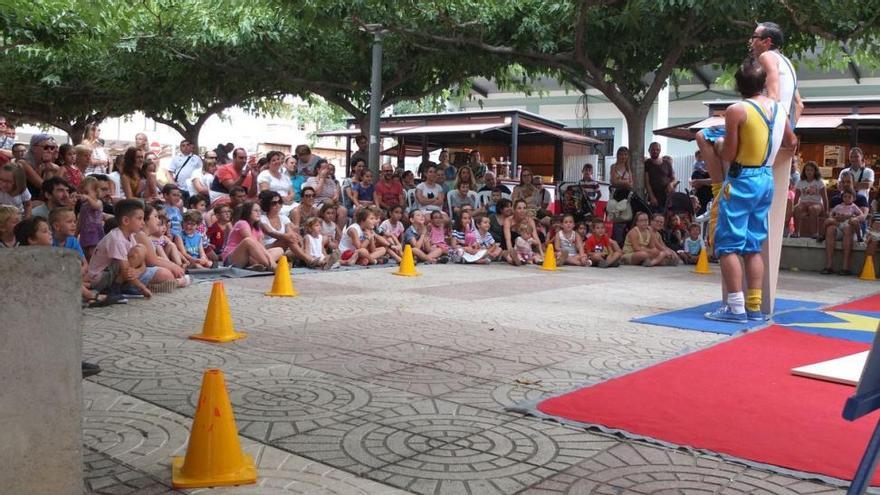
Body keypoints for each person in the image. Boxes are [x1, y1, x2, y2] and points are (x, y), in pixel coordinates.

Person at [705, 56, 792, 322]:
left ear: (737, 85)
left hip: (742, 179)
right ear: (763, 82)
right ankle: (754, 307)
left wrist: (719, 143)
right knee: (753, 245)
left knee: (728, 245)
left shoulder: (737, 110)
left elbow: (729, 152)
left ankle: (735, 308)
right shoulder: (777, 108)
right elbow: (792, 140)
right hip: (766, 179)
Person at [89, 200, 176, 298]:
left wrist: (138, 270)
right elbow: (125, 269)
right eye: (139, 219)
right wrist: (142, 288)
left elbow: (141, 261)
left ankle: (122, 285)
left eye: (143, 219)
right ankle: (114, 288)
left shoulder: (130, 236)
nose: (143, 223)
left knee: (141, 249)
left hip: (113, 272)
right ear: (126, 221)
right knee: (138, 252)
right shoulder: (116, 238)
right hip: (100, 278)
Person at [222, 201, 282, 270]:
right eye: (255, 211)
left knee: (279, 250)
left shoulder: (257, 227)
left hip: (249, 258)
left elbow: (261, 246)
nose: (259, 213)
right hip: (232, 259)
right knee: (248, 241)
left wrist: (266, 254)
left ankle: (257, 265)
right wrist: (269, 258)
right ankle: (272, 266)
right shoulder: (242, 223)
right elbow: (252, 242)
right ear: (248, 212)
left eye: (259, 211)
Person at [820, 190, 865, 275]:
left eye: (849, 197)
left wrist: (852, 217)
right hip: (839, 224)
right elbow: (831, 214)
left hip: (849, 226)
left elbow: (862, 215)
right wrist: (836, 217)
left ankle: (845, 267)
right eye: (845, 197)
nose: (847, 199)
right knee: (830, 229)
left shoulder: (854, 206)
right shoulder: (839, 206)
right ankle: (829, 266)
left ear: (854, 198)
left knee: (847, 229)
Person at [258, 190, 307, 261]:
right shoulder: (262, 218)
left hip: (284, 245)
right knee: (287, 239)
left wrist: (295, 237)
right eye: (274, 203)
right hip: (268, 247)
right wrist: (288, 236)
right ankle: (308, 260)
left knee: (296, 237)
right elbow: (270, 232)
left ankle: (309, 258)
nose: (278, 205)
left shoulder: (283, 218)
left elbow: (290, 232)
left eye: (279, 202)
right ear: (267, 204)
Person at [792, 160, 827, 238]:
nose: (809, 172)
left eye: (811, 170)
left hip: (817, 203)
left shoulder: (819, 182)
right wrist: (793, 208)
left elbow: (825, 198)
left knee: (812, 209)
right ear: (804, 171)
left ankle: (814, 233)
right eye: (807, 170)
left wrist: (826, 211)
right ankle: (796, 232)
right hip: (803, 203)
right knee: (797, 209)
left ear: (815, 171)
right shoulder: (800, 182)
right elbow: (796, 197)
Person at [503, 199, 543, 265]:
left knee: (536, 255)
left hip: (524, 248)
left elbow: (536, 237)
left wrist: (541, 253)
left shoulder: (529, 221)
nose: (522, 211)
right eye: (519, 208)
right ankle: (514, 260)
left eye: (524, 208)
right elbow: (508, 240)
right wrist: (511, 251)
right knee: (507, 255)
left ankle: (534, 260)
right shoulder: (508, 220)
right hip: (511, 247)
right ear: (514, 210)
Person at [257, 150, 295, 215]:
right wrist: (281, 199)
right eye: (273, 160)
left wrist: (289, 197)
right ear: (268, 163)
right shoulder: (264, 175)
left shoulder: (285, 177)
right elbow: (265, 193)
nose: (277, 162)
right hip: (273, 204)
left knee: (299, 209)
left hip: (287, 203)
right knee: (294, 211)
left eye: (278, 159)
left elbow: (292, 192)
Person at [77, 176, 106, 258]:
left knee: (93, 253)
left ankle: (95, 268)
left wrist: (88, 198)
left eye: (86, 193)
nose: (84, 195)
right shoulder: (83, 206)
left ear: (96, 192)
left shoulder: (98, 202)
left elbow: (95, 206)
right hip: (85, 232)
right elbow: (80, 221)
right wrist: (75, 234)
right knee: (85, 253)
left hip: (94, 232)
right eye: (82, 193)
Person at [644, 142, 675, 212]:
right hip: (655, 197)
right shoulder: (647, 163)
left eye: (657, 149)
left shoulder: (667, 163)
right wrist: (652, 197)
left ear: (660, 150)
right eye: (653, 149)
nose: (655, 151)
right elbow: (647, 183)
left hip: (667, 197)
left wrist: (671, 184)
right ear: (649, 150)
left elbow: (674, 178)